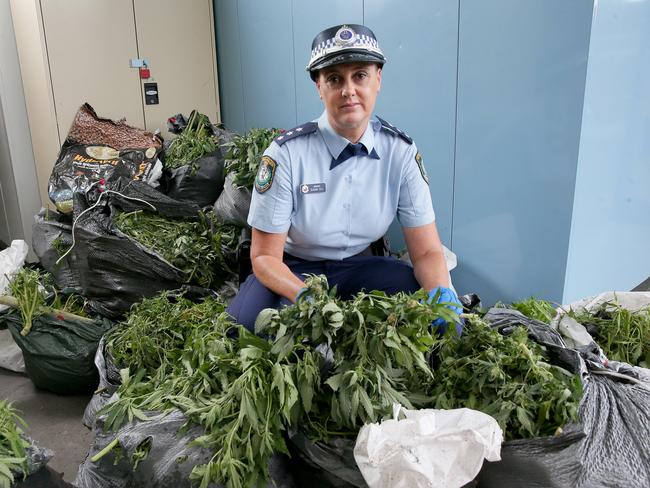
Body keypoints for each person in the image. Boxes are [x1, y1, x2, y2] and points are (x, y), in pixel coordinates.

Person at [227, 24, 462, 332]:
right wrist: (306, 297)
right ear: (319, 87)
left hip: (360, 266)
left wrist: (441, 296)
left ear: (378, 79)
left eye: (360, 75)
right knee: (251, 327)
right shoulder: (287, 154)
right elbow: (264, 257)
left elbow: (428, 251)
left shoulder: (400, 152)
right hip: (294, 269)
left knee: (441, 321)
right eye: (334, 79)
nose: (348, 90)